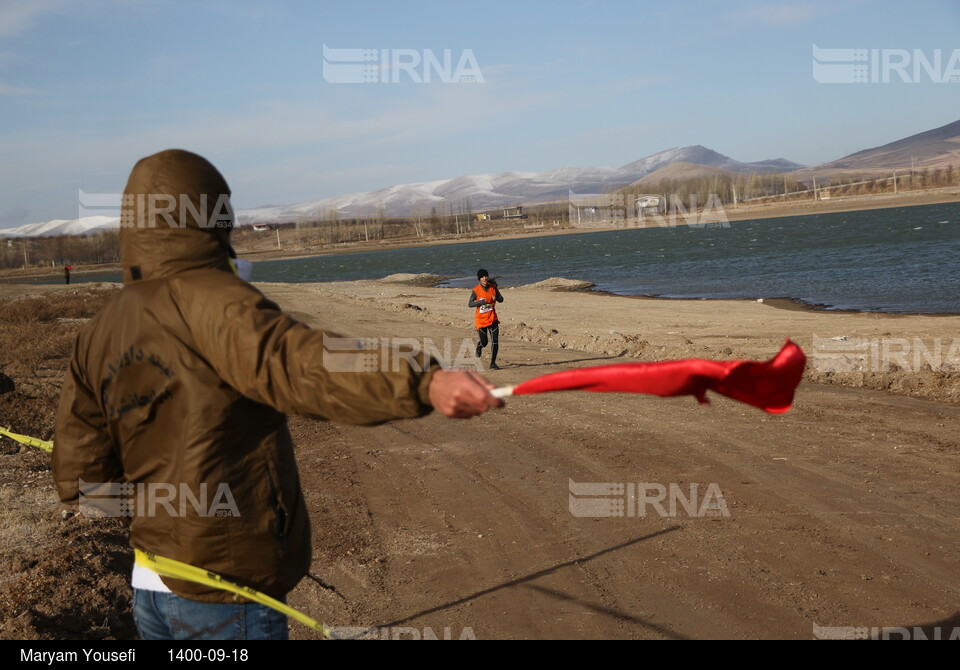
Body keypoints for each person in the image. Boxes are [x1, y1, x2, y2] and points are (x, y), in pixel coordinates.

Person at [52, 149, 503, 641]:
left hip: (149, 586)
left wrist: (160, 508)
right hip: (227, 590)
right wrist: (423, 380)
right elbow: (305, 361)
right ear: (214, 217)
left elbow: (81, 481)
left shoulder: (102, 327)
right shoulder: (216, 302)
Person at [468, 268, 504, 370]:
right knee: (485, 342)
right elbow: (470, 304)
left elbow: (501, 299)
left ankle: (493, 363)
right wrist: (480, 302)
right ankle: (479, 346)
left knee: (495, 341)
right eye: (483, 277)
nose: (485, 278)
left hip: (492, 318)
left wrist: (496, 297)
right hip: (481, 320)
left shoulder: (493, 288)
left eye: (486, 276)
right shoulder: (476, 290)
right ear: (479, 279)